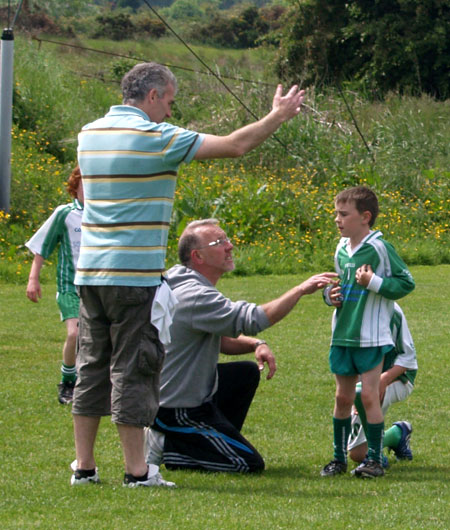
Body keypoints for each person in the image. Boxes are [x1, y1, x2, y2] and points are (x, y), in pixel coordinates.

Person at [71, 62, 307, 487]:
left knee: (92, 368)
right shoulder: (156, 137)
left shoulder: (88, 133)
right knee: (133, 369)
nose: (169, 113)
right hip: (132, 275)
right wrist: (278, 115)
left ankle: (84, 468)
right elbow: (236, 146)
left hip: (89, 273)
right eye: (170, 103)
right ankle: (138, 472)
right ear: (155, 95)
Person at [144, 219, 337, 473]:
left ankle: (200, 441)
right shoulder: (194, 295)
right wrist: (300, 290)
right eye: (219, 242)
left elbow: (221, 338)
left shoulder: (180, 279)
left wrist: (256, 344)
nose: (230, 246)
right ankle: (168, 442)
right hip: (175, 409)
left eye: (226, 239)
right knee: (247, 463)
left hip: (177, 397)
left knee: (245, 373)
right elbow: (253, 319)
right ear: (197, 256)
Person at [320, 186, 415, 479]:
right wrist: (329, 296)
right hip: (342, 334)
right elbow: (341, 286)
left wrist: (374, 282)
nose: (338, 219)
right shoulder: (341, 248)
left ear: (365, 217)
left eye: (343, 214)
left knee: (370, 397)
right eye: (336, 213)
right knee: (342, 399)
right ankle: (338, 459)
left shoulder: (379, 248)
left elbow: (406, 282)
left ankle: (373, 460)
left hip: (371, 337)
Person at [25, 166, 83, 405]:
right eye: (84, 184)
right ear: (75, 186)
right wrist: (33, 279)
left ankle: (91, 383)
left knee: (99, 339)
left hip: (97, 287)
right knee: (75, 333)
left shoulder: (105, 215)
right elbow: (42, 247)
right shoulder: (65, 213)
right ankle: (67, 382)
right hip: (70, 286)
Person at [346, 302, 417, 465]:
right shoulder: (350, 310)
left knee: (362, 393)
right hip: (364, 382)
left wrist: (383, 380)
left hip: (399, 376)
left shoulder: (392, 311)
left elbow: (408, 358)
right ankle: (398, 433)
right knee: (357, 453)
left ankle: (375, 457)